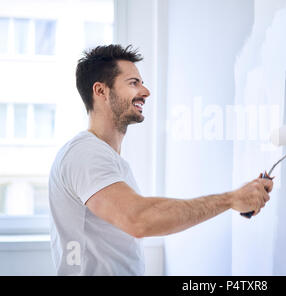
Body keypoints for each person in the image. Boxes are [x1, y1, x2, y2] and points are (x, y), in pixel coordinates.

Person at [48, 44, 273, 275]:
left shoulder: (105, 157)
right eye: (133, 83)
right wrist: (231, 199)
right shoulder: (85, 153)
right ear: (101, 91)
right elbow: (139, 220)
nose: (146, 91)